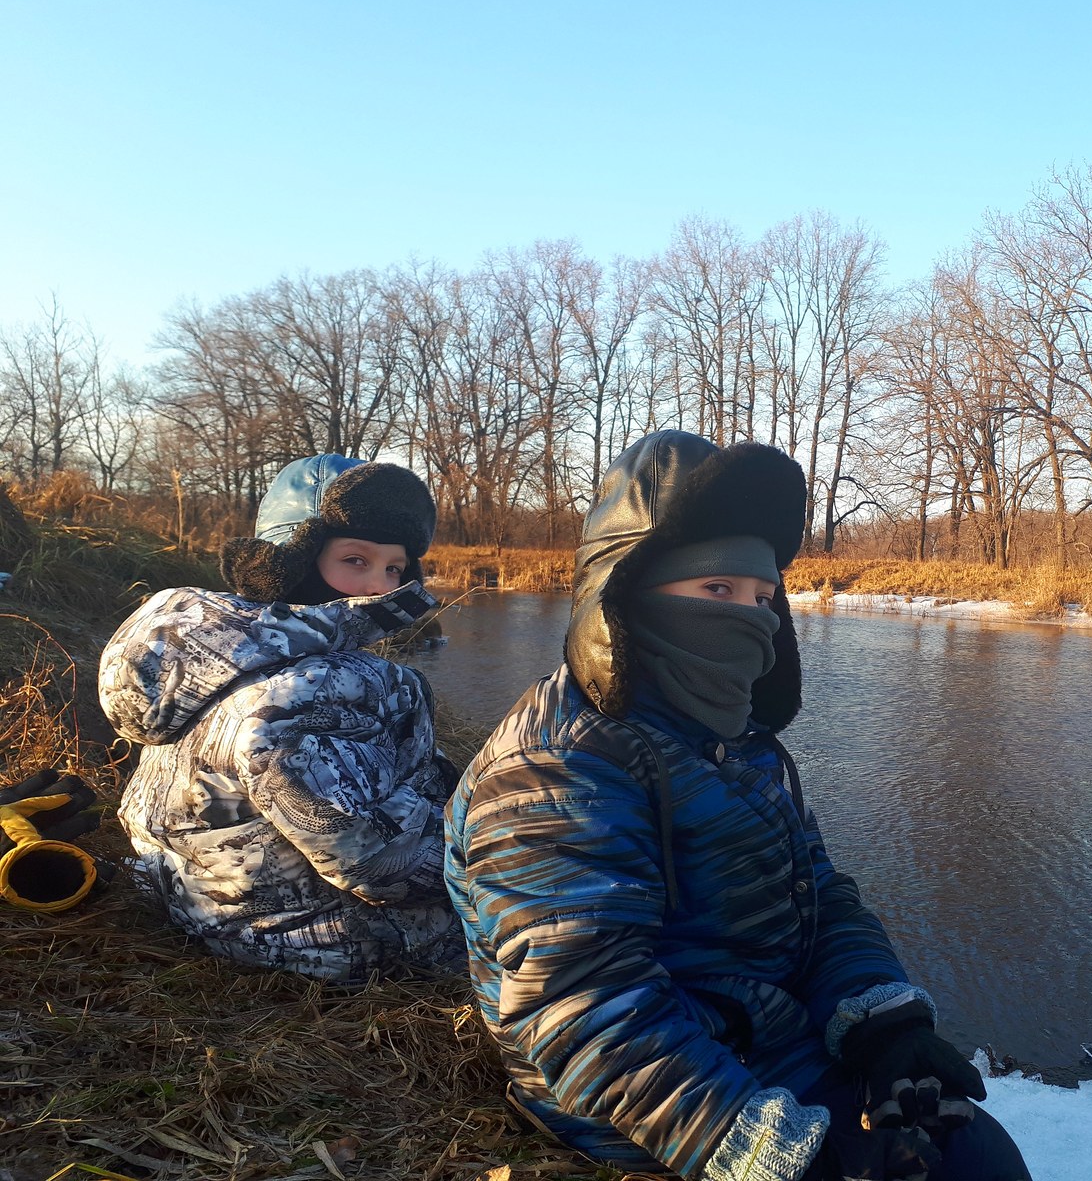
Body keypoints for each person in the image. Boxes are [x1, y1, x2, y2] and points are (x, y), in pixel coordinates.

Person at [445, 430, 1031, 1181]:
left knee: (974, 1150)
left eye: (762, 597)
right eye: (717, 591)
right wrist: (772, 1153)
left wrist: (882, 1024)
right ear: (626, 594)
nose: (749, 618)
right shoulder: (557, 768)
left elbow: (817, 893)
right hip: (652, 1096)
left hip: (764, 1033)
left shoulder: (737, 741)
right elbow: (583, 1007)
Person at [99, 454, 463, 982]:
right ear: (293, 558)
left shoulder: (210, 646)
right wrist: (500, 855)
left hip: (191, 894)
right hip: (303, 936)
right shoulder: (311, 692)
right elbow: (377, 863)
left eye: (394, 568)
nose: (380, 587)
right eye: (355, 560)